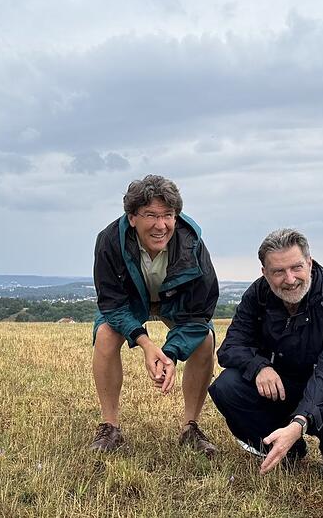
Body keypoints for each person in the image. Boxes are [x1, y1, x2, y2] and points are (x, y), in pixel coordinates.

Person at [208, 228, 323, 477]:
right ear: (265, 273)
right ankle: (285, 449)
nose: (290, 279)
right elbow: (230, 347)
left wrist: (300, 421)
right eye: (278, 271)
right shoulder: (258, 294)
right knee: (226, 386)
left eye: (296, 267)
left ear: (309, 263)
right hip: (287, 378)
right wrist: (259, 367)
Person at [90, 174, 220, 457]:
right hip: (130, 303)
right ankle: (110, 427)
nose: (161, 225)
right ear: (132, 217)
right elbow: (112, 304)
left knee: (205, 340)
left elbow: (199, 313)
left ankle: (190, 427)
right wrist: (146, 343)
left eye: (168, 215)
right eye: (151, 215)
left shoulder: (192, 244)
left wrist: (170, 353)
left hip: (177, 306)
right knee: (105, 335)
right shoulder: (110, 241)